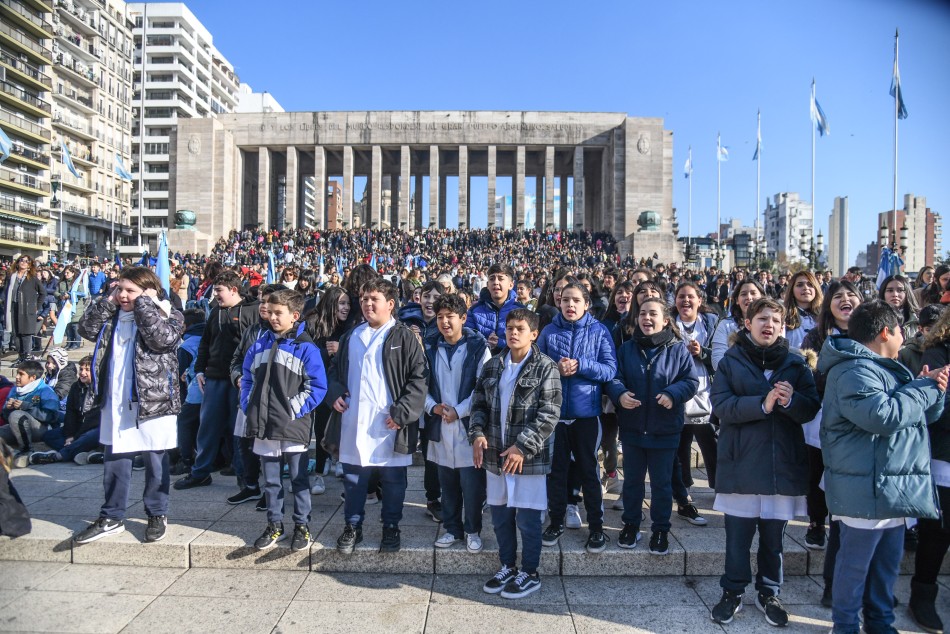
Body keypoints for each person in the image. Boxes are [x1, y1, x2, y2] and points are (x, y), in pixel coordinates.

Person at [820, 300, 948, 634]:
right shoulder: (853, 370)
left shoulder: (883, 367)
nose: (904, 340)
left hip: (890, 487)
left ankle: (879, 623)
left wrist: (934, 391)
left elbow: (913, 417)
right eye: (900, 332)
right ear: (885, 332)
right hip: (865, 489)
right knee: (855, 567)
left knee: (885, 567)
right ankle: (845, 626)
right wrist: (923, 389)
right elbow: (883, 416)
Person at [709, 297, 821, 627]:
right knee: (737, 540)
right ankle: (732, 591)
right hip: (741, 462)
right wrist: (764, 403)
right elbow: (722, 406)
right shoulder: (731, 360)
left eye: (775, 319)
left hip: (780, 465)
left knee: (774, 542)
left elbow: (811, 407)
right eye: (762, 319)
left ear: (784, 326)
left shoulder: (796, 363)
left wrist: (790, 400)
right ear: (748, 324)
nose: (768, 324)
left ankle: (769, 590)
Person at [73, 266, 185, 545]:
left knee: (155, 458)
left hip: (154, 398)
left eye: (130, 290)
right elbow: (85, 328)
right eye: (119, 288)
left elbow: (162, 340)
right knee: (116, 457)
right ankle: (111, 515)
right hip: (117, 396)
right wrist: (108, 302)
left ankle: (157, 513)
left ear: (148, 292)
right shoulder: (112, 315)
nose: (123, 295)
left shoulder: (168, 312)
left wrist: (145, 303)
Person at [324, 278, 428, 554]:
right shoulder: (352, 336)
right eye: (364, 299)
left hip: (390, 422)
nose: (368, 304)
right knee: (354, 478)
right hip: (353, 420)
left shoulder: (404, 337)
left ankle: (391, 527)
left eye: (374, 299)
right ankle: (352, 526)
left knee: (393, 480)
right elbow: (333, 372)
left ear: (390, 304)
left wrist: (403, 413)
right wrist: (333, 393)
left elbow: (419, 380)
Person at [470, 308, 561, 599]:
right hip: (496, 455)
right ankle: (507, 565)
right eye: (509, 328)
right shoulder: (493, 365)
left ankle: (530, 571)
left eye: (520, 328)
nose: (513, 333)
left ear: (534, 334)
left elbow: (549, 413)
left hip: (528, 459)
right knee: (500, 516)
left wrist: (522, 446)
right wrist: (477, 434)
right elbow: (478, 404)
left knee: (528, 519)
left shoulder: (546, 367)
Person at [606, 297, 698, 552]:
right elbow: (614, 377)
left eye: (653, 314)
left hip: (665, 429)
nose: (647, 318)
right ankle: (631, 525)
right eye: (643, 313)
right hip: (633, 428)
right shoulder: (626, 349)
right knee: (633, 482)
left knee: (661, 484)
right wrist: (620, 394)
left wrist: (672, 393)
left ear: (665, 320)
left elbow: (690, 381)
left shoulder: (678, 349)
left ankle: (660, 529)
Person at [241, 288, 327, 551]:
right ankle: (274, 524)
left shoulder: (306, 347)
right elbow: (247, 379)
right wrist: (248, 405)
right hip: (263, 425)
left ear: (295, 315)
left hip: (291, 425)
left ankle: (302, 525)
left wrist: (292, 410)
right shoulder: (258, 344)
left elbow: (317, 387)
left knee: (299, 480)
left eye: (280, 313)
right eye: (271, 312)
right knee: (271, 480)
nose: (273, 317)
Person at [539, 280, 616, 553]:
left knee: (589, 472)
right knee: (556, 472)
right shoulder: (548, 331)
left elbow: (609, 370)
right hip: (555, 415)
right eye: (565, 299)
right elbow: (537, 368)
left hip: (586, 415)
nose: (570, 305)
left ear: (586, 304)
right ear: (558, 302)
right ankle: (556, 520)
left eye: (576, 300)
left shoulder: (600, 331)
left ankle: (596, 527)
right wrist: (554, 367)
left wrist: (582, 365)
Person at [798, 280, 862, 594]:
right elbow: (809, 376)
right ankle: (815, 521)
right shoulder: (817, 337)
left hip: (860, 429)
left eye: (851, 295)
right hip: (823, 419)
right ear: (829, 306)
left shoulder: (875, 337)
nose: (845, 300)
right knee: (817, 474)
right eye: (838, 296)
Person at [175, 270, 259, 491]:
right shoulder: (214, 312)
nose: (216, 295)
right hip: (213, 378)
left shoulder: (253, 311)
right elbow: (205, 343)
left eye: (219, 290)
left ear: (233, 290)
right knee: (207, 427)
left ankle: (244, 478)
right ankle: (200, 472)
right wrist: (200, 370)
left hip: (241, 380)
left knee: (238, 430)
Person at [426, 294, 491, 552]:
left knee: (472, 484)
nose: (444, 322)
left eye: (450, 317)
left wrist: (460, 410)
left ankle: (473, 529)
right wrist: (433, 406)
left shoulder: (477, 347)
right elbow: (422, 383)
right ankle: (452, 528)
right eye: (440, 317)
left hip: (467, 424)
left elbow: (482, 386)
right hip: (440, 420)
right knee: (447, 482)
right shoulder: (430, 345)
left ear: (463, 318)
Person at [228, 284, 286, 506]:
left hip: (272, 400)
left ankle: (271, 491)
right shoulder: (252, 330)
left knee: (271, 447)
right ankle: (251, 486)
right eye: (262, 301)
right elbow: (236, 360)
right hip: (247, 396)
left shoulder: (286, 333)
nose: (264, 306)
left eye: (269, 302)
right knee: (245, 442)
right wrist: (238, 378)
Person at [912, 307, 950, 631]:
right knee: (938, 532)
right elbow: (934, 408)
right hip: (944, 454)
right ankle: (922, 594)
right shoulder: (939, 351)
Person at [672, 281, 719, 521]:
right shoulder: (670, 324)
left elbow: (721, 356)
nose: (686, 301)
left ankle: (718, 485)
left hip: (705, 392)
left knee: (709, 443)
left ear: (700, 301)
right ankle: (684, 490)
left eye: (691, 297)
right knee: (681, 445)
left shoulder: (711, 323)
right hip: (680, 393)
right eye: (681, 296)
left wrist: (703, 353)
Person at [305, 286, 350, 484]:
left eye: (348, 303)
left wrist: (340, 351)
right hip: (317, 384)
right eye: (342, 303)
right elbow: (305, 352)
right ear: (331, 303)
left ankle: (339, 459)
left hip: (340, 383)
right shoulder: (312, 323)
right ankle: (320, 470)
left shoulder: (349, 325)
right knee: (321, 425)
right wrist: (326, 352)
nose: (346, 307)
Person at [29, 356, 101, 465]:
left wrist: (75, 437)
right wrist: (69, 436)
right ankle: (79, 452)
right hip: (78, 426)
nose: (82, 373)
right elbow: (71, 413)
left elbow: (94, 419)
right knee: (48, 436)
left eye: (87, 370)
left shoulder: (103, 389)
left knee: (92, 435)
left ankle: (58, 456)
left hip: (93, 428)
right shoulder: (75, 387)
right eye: (81, 369)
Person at [0, 360, 61, 467]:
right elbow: (6, 418)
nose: (17, 377)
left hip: (40, 429)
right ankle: (9, 454)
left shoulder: (45, 391)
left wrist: (26, 407)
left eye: (21, 374)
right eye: (17, 373)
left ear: (32, 377)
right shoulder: (15, 390)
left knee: (17, 415)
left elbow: (51, 417)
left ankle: (26, 450)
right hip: (16, 426)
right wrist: (7, 409)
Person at [466, 263, 524, 354]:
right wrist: (486, 343)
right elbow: (467, 339)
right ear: (488, 285)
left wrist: (499, 343)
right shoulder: (474, 311)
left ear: (511, 285)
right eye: (492, 279)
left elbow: (525, 343)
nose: (496, 282)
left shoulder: (521, 311)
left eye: (501, 279)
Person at [710, 280, 766, 371]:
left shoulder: (771, 323)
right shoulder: (725, 325)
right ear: (737, 300)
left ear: (762, 297)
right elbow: (717, 361)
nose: (749, 297)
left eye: (753, 293)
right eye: (743, 294)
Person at [3, 255, 46, 364]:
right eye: (21, 260)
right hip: (13, 307)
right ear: (17, 263)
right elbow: (5, 292)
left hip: (27, 309)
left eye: (27, 261)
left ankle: (27, 356)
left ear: (29, 265)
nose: (23, 262)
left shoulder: (32, 278)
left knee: (25, 334)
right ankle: (21, 356)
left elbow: (43, 293)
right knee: (16, 333)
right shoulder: (11, 276)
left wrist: (36, 306)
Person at [782, 271, 823, 350]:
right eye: (800, 285)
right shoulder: (783, 315)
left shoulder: (825, 317)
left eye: (810, 284)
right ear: (792, 290)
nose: (806, 288)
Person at [879, 274, 920, 340]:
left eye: (900, 290)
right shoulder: (875, 318)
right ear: (883, 293)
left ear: (907, 293)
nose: (895, 294)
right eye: (890, 290)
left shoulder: (918, 317)